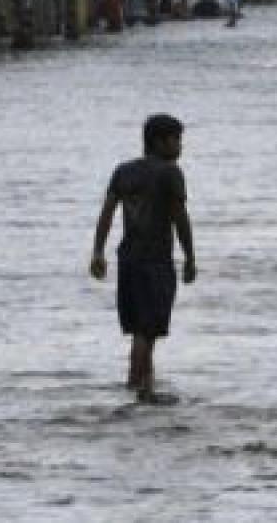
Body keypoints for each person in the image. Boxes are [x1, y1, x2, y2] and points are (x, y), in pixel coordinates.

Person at [90, 114, 196, 403]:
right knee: (147, 331)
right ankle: (138, 389)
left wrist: (98, 251)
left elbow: (107, 212)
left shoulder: (123, 171)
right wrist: (189, 256)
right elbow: (179, 217)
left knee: (140, 328)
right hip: (156, 261)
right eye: (176, 139)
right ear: (159, 141)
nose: (180, 146)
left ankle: (144, 387)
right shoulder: (170, 173)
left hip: (128, 261)